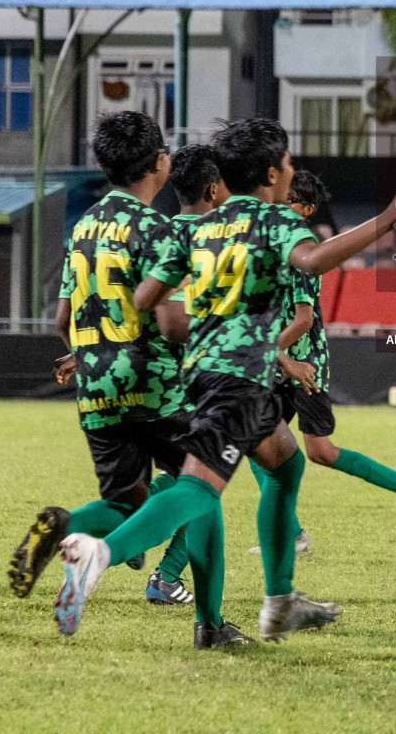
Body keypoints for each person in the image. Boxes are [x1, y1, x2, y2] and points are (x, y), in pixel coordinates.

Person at [53, 119, 396, 646]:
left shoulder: (199, 226)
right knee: (198, 488)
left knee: (285, 460)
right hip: (241, 380)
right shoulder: (274, 220)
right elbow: (314, 260)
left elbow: (143, 297)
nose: (293, 171)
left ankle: (279, 603)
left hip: (199, 375)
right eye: (290, 163)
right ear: (273, 173)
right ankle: (102, 553)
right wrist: (386, 219)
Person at [9, 113, 220, 636]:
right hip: (155, 385)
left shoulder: (83, 227)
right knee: (202, 487)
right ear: (159, 164)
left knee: (128, 500)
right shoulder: (158, 229)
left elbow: (63, 318)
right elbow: (170, 322)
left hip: (97, 385)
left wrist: (89, 355)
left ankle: (70, 527)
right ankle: (209, 623)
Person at [256, 168, 396, 552]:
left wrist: (271, 347)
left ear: (305, 209)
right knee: (259, 441)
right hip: (282, 360)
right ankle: (290, 534)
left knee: (318, 450)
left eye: (289, 201)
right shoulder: (279, 244)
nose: (280, 205)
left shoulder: (302, 250)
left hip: (304, 363)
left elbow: (304, 320)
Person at [143, 143, 230, 608]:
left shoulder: (157, 230)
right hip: (191, 385)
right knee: (203, 486)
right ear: (214, 189)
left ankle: (138, 537)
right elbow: (177, 322)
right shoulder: (212, 238)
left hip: (146, 381)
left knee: (188, 479)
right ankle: (155, 566)